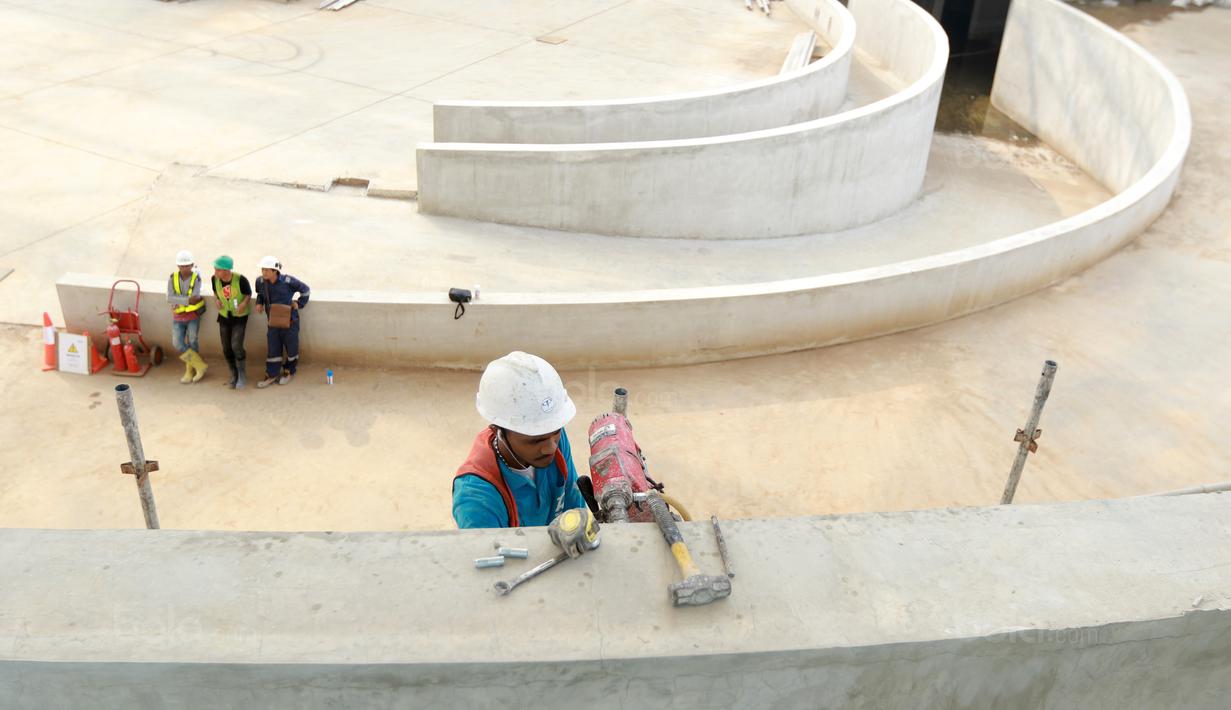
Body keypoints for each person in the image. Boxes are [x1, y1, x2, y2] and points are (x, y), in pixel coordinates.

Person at [452, 351, 588, 529]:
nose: (550, 448)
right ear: (498, 429)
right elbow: (490, 556)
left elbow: (574, 506)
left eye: (555, 431)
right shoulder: (476, 499)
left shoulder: (553, 438)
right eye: (534, 440)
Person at [253, 255, 310, 388]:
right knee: (273, 347)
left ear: (275, 271)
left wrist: (299, 303)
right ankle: (271, 374)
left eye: (267, 270)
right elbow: (260, 294)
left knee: (291, 347)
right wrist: (259, 303)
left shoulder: (288, 281)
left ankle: (289, 371)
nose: (264, 273)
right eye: (263, 269)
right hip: (272, 321)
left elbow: (306, 291)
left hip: (290, 321)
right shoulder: (260, 282)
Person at [210, 255, 252, 390]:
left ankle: (242, 374)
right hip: (224, 316)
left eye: (218, 270)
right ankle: (233, 373)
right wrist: (216, 300)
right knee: (226, 347)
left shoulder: (241, 280)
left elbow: (248, 294)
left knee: (236, 345)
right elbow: (215, 292)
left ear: (226, 270)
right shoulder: (214, 279)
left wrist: (244, 304)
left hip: (239, 317)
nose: (215, 272)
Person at [166, 249, 208, 384]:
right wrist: (186, 300)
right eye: (182, 266)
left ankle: (190, 370)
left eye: (187, 265)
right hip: (178, 316)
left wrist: (178, 300)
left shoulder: (196, 278)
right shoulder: (173, 277)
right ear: (178, 266)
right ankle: (199, 365)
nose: (184, 268)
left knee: (193, 341)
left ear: (192, 265)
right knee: (177, 343)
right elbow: (169, 297)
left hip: (193, 315)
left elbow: (195, 298)